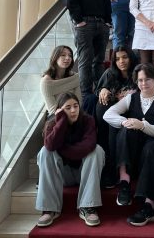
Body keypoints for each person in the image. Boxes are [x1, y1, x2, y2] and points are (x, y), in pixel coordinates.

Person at [103, 63, 154, 227]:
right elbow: (108, 114)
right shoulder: (131, 98)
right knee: (126, 131)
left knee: (151, 149)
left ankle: (149, 204)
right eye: (140, 80)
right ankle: (124, 183)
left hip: (151, 145)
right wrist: (125, 122)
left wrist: (141, 125)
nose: (143, 83)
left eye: (147, 79)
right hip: (132, 148)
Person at [35, 92, 105, 228]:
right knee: (45, 151)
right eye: (68, 107)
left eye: (76, 106)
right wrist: (61, 121)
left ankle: (87, 207)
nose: (73, 110)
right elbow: (50, 146)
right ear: (60, 110)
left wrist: (62, 148)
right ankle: (49, 209)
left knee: (97, 150)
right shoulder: (52, 123)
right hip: (63, 175)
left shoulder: (88, 120)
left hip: (83, 173)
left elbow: (89, 145)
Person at [61, 0, 111, 99]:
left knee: (99, 61)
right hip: (84, 23)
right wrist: (78, 20)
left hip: (101, 23)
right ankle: (86, 95)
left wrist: (108, 21)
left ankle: (101, 93)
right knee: (85, 60)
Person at [86, 46, 139, 188]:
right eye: (117, 59)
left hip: (132, 112)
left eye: (125, 57)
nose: (121, 61)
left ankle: (113, 169)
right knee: (102, 105)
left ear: (131, 58)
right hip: (112, 116)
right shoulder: (110, 73)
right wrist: (103, 90)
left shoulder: (138, 72)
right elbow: (98, 90)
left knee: (111, 120)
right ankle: (108, 164)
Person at [40, 45, 81, 115]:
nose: (67, 58)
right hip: (57, 116)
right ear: (55, 58)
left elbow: (78, 102)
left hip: (76, 113)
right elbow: (53, 109)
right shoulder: (46, 83)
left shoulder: (75, 77)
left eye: (70, 56)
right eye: (63, 55)